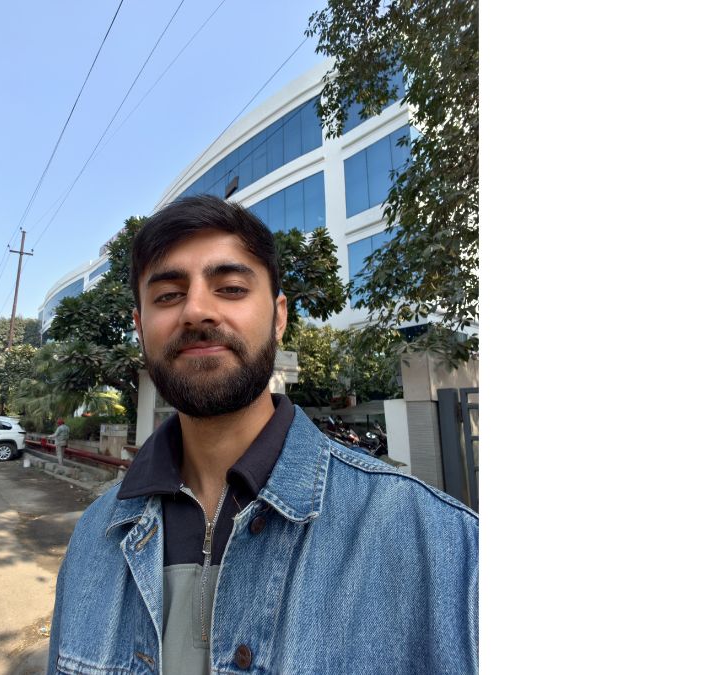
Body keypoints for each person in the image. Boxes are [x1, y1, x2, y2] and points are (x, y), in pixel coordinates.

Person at [47, 195, 477, 674]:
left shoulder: (435, 544)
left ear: (278, 316)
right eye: (167, 295)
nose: (196, 310)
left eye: (231, 288)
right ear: (140, 327)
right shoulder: (94, 539)